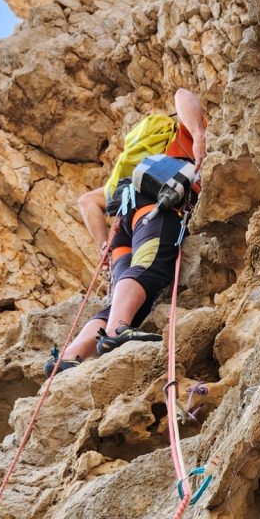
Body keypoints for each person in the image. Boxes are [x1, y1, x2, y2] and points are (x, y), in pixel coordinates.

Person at [45, 88, 207, 377]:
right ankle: (118, 331)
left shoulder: (129, 174)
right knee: (150, 268)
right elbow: (182, 93)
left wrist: (103, 245)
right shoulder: (180, 138)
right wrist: (199, 136)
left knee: (124, 301)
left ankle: (70, 356)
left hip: (122, 226)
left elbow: (87, 202)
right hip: (156, 207)